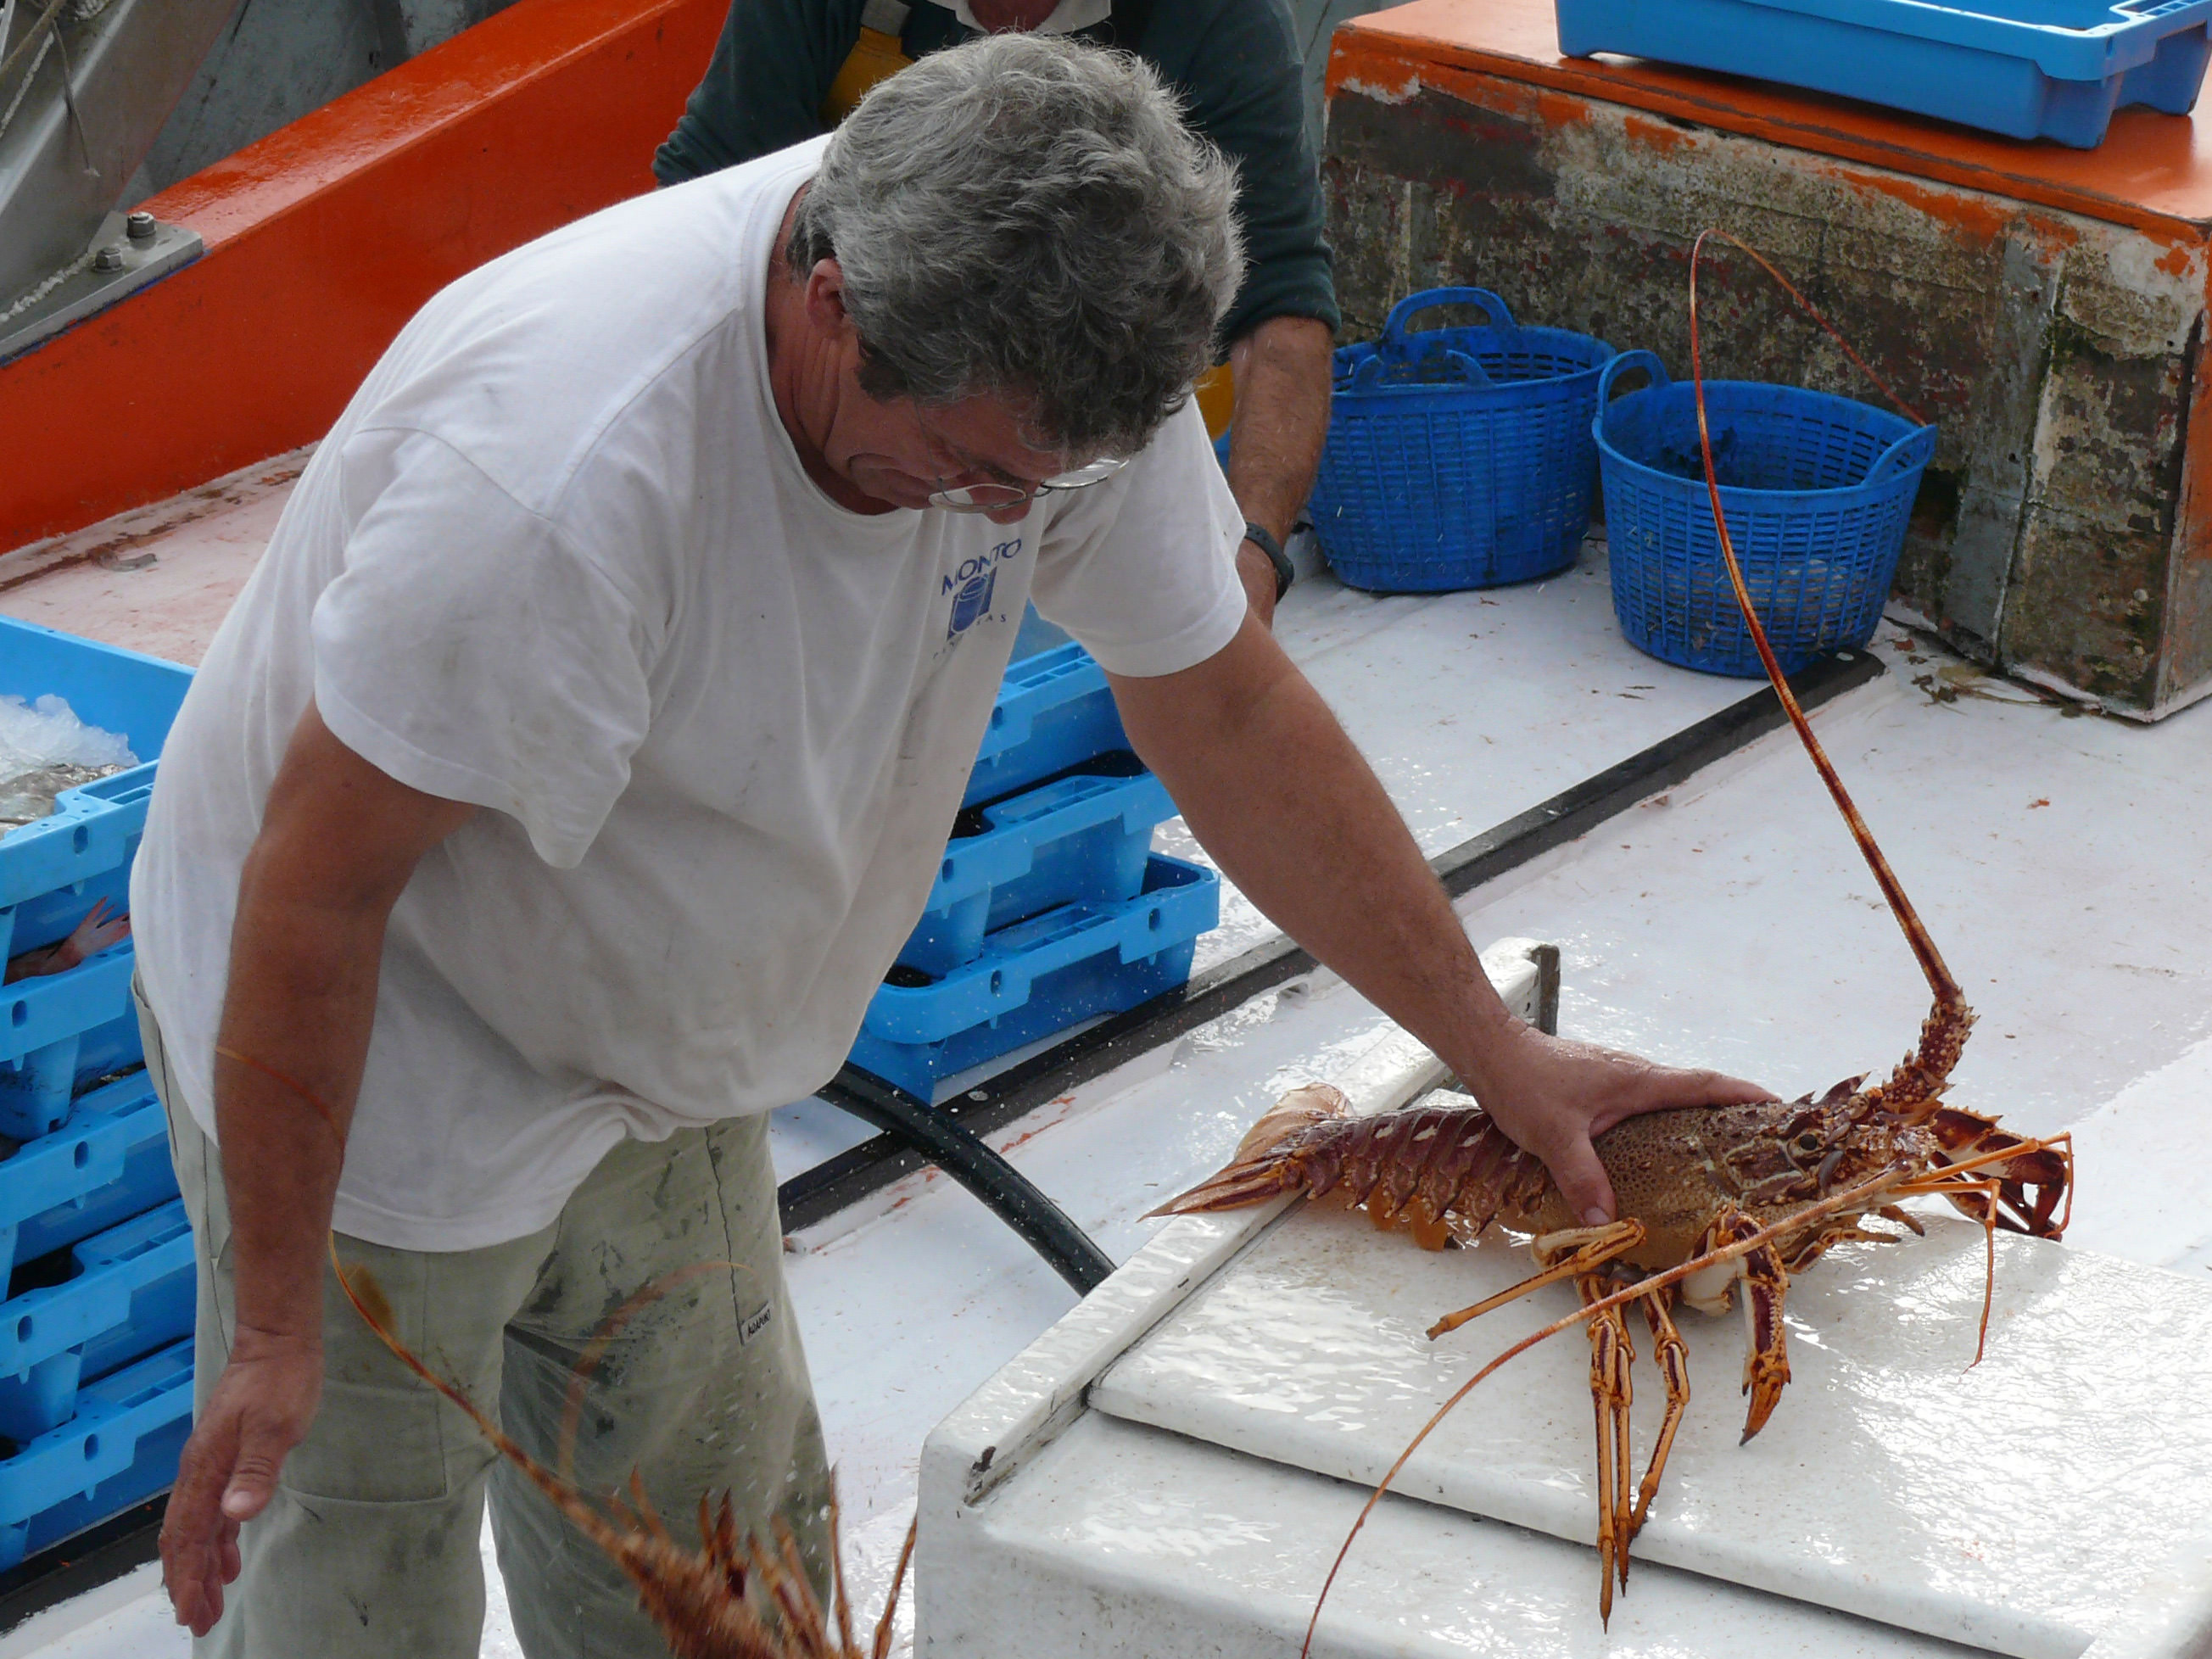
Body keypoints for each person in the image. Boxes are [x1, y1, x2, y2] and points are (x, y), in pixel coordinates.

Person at [132, 35, 1767, 1657]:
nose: (1007, 513)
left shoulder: (1053, 352)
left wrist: (1495, 1054)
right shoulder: (559, 484)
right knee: (358, 1600)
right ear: (831, 304)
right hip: (387, 1032)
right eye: (975, 474)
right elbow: (317, 888)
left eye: (1040, 484)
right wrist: (272, 1329)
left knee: (727, 1591)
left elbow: (1223, 708)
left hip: (660, 1032)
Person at [655, 0, 1336, 626]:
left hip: (1087, 459)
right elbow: (710, 206)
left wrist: (1252, 558)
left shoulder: (1221, 17)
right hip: (870, 429)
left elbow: (1284, 305)